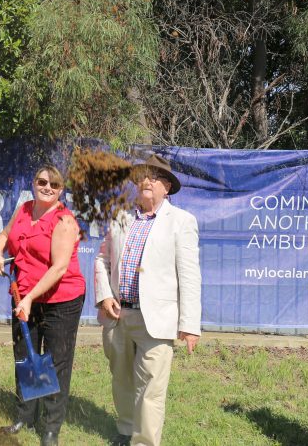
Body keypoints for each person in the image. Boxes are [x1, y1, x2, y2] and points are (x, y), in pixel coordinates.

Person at [94, 153, 201, 446]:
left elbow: (189, 275)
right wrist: (104, 295)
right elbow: (103, 259)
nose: (146, 181)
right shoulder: (121, 215)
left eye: (153, 177)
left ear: (167, 187)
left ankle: (144, 442)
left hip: (157, 318)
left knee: (151, 387)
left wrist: (189, 324)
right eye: (142, 176)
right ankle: (126, 429)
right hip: (118, 315)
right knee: (122, 379)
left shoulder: (181, 221)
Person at [0, 164, 85, 446]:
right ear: (33, 183)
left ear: (61, 190)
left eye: (54, 185)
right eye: (42, 182)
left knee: (56, 362)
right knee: (25, 356)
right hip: (24, 295)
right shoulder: (24, 209)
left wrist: (30, 299)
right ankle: (25, 415)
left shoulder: (64, 221)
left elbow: (58, 269)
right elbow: (5, 235)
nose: (47, 187)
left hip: (61, 300)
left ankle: (51, 428)